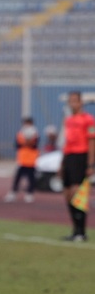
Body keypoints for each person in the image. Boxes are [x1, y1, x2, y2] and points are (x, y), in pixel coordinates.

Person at [59, 91, 95, 241]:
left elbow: (92, 142)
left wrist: (91, 164)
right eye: (70, 101)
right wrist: (62, 162)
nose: (72, 103)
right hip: (69, 157)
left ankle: (81, 231)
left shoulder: (89, 120)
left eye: (75, 100)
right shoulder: (68, 120)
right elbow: (66, 142)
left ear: (81, 103)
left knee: (77, 194)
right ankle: (75, 230)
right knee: (67, 195)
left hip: (81, 157)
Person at [4, 117, 39, 204]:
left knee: (31, 178)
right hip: (22, 159)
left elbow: (34, 145)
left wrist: (29, 141)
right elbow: (17, 145)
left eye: (28, 123)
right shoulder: (20, 133)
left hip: (31, 160)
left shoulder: (35, 134)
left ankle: (29, 194)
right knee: (18, 177)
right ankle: (13, 192)